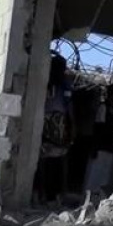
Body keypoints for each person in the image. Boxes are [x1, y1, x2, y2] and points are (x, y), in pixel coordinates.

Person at [35, 53, 73, 203]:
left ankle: (50, 194)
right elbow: (68, 107)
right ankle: (47, 194)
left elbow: (68, 106)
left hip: (52, 123)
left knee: (52, 159)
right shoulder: (56, 84)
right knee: (51, 159)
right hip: (53, 123)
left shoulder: (57, 84)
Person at [84, 84, 113, 194]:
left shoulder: (112, 109)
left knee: (103, 174)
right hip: (101, 147)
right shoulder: (103, 107)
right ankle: (90, 195)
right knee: (95, 172)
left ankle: (97, 194)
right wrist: (95, 147)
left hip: (108, 147)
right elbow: (98, 128)